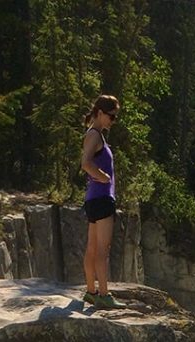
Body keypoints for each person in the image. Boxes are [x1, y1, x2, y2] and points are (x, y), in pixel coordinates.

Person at [81, 94, 126, 310]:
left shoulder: (95, 134)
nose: (113, 121)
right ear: (100, 113)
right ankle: (104, 294)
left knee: (92, 248)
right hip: (102, 198)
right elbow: (85, 163)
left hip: (93, 199)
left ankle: (91, 291)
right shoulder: (95, 135)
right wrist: (102, 177)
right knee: (102, 250)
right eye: (111, 116)